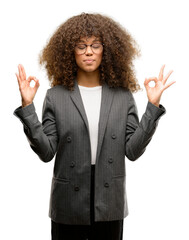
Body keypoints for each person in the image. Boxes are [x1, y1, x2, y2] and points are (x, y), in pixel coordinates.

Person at [13, 12, 175, 240]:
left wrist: (153, 106)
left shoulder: (122, 96)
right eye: (81, 46)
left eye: (95, 45)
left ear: (106, 50)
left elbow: (133, 151)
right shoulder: (55, 96)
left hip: (109, 203)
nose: (88, 51)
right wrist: (27, 106)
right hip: (68, 202)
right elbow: (46, 152)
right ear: (70, 51)